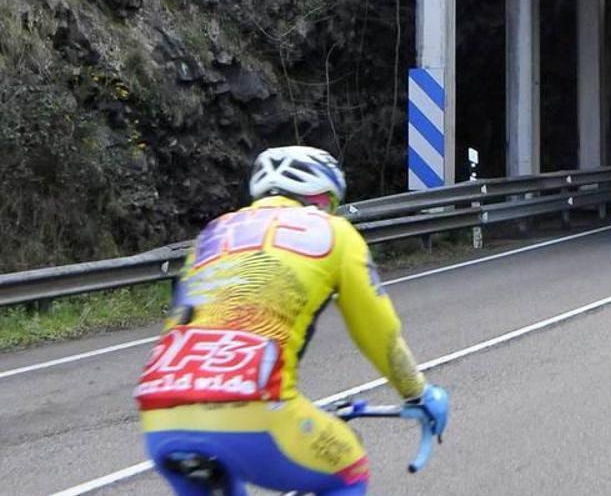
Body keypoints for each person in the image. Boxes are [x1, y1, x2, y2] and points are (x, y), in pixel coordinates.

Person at [135, 146, 449, 495]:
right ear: (321, 198)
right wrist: (418, 393)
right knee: (348, 469)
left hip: (160, 414)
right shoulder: (335, 233)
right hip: (253, 410)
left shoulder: (211, 235)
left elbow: (188, 321)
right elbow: (380, 335)